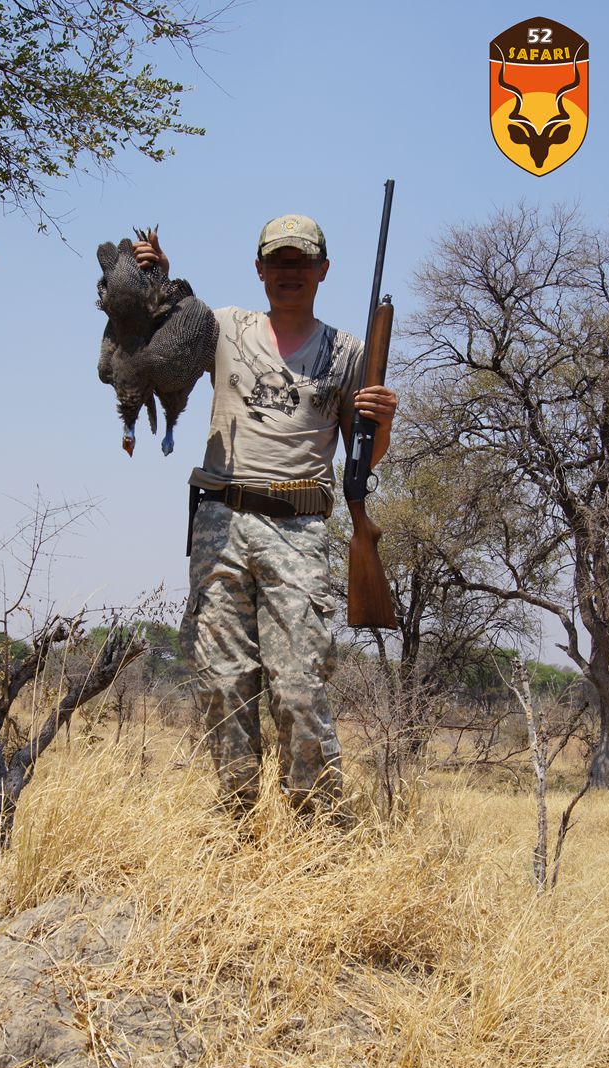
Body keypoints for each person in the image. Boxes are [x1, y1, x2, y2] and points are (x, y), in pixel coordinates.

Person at [134, 215, 397, 816]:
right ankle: (238, 828)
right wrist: (158, 276)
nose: (288, 273)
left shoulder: (349, 352)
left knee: (299, 688)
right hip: (219, 525)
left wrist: (380, 420)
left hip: (299, 530)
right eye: (277, 261)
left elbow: (363, 457)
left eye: (301, 262)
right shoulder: (225, 327)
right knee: (223, 684)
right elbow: (168, 333)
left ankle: (317, 834)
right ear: (259, 270)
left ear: (322, 272)